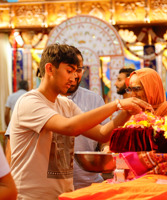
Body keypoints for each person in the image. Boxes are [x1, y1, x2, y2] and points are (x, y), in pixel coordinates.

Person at [9, 44, 151, 199]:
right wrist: (116, 104)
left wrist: (127, 111)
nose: (74, 77)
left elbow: (102, 134)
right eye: (69, 71)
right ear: (49, 69)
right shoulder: (29, 102)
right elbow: (70, 127)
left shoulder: (65, 104)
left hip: (63, 195)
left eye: (76, 71)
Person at [62, 46, 109, 189]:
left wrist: (106, 151)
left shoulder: (94, 99)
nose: (75, 76)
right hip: (53, 185)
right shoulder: (44, 100)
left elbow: (104, 137)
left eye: (79, 70)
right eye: (69, 71)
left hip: (89, 182)